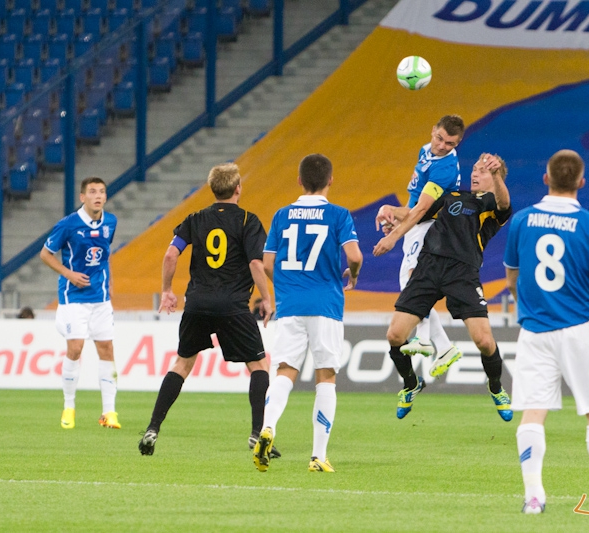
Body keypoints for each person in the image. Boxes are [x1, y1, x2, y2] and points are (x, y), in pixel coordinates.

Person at [504, 149, 589, 515]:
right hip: (581, 328)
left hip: (535, 331)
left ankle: (534, 495)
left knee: (533, 412)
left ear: (545, 178)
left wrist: (526, 304)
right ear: (581, 183)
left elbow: (512, 277)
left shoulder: (522, 221)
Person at [139, 163, 277, 458]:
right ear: (238, 188)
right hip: (232, 305)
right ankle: (257, 433)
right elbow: (256, 263)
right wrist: (267, 299)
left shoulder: (195, 219)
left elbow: (170, 254)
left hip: (198, 303)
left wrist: (167, 290)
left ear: (212, 189)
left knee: (181, 365)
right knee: (259, 367)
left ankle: (152, 428)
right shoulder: (247, 222)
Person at [374, 154, 513, 422]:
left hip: (463, 273)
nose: (475, 173)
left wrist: (495, 177)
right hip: (428, 268)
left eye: (483, 171)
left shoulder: (491, 205)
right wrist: (392, 210)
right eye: (475, 168)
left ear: (496, 178)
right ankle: (411, 383)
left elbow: (504, 204)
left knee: (484, 341)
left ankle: (496, 387)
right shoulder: (452, 196)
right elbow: (417, 212)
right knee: (395, 335)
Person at [253, 153, 362, 473]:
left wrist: (286, 287)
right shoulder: (339, 215)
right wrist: (353, 274)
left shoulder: (281, 215)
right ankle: (318, 456)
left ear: (299, 180)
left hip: (290, 305)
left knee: (285, 371)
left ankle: (267, 427)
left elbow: (267, 263)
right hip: (326, 304)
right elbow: (354, 255)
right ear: (331, 180)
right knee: (325, 376)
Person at [376, 115, 465, 377]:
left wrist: (393, 235)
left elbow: (422, 210)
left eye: (450, 143)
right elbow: (414, 202)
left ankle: (425, 339)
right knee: (409, 284)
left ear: (457, 143)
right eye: (439, 138)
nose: (442, 145)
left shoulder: (445, 168)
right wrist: (398, 220)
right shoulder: (425, 152)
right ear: (432, 131)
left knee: (414, 285)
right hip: (416, 226)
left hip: (430, 228)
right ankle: (444, 347)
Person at [40, 177, 120, 430]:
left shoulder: (111, 221)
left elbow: (102, 254)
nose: (98, 196)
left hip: (101, 298)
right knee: (75, 349)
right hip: (73, 298)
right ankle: (69, 406)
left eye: (102, 192)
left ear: (105, 197)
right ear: (82, 197)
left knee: (106, 349)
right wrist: (69, 274)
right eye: (92, 192)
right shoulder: (68, 225)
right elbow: (45, 254)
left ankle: (109, 412)